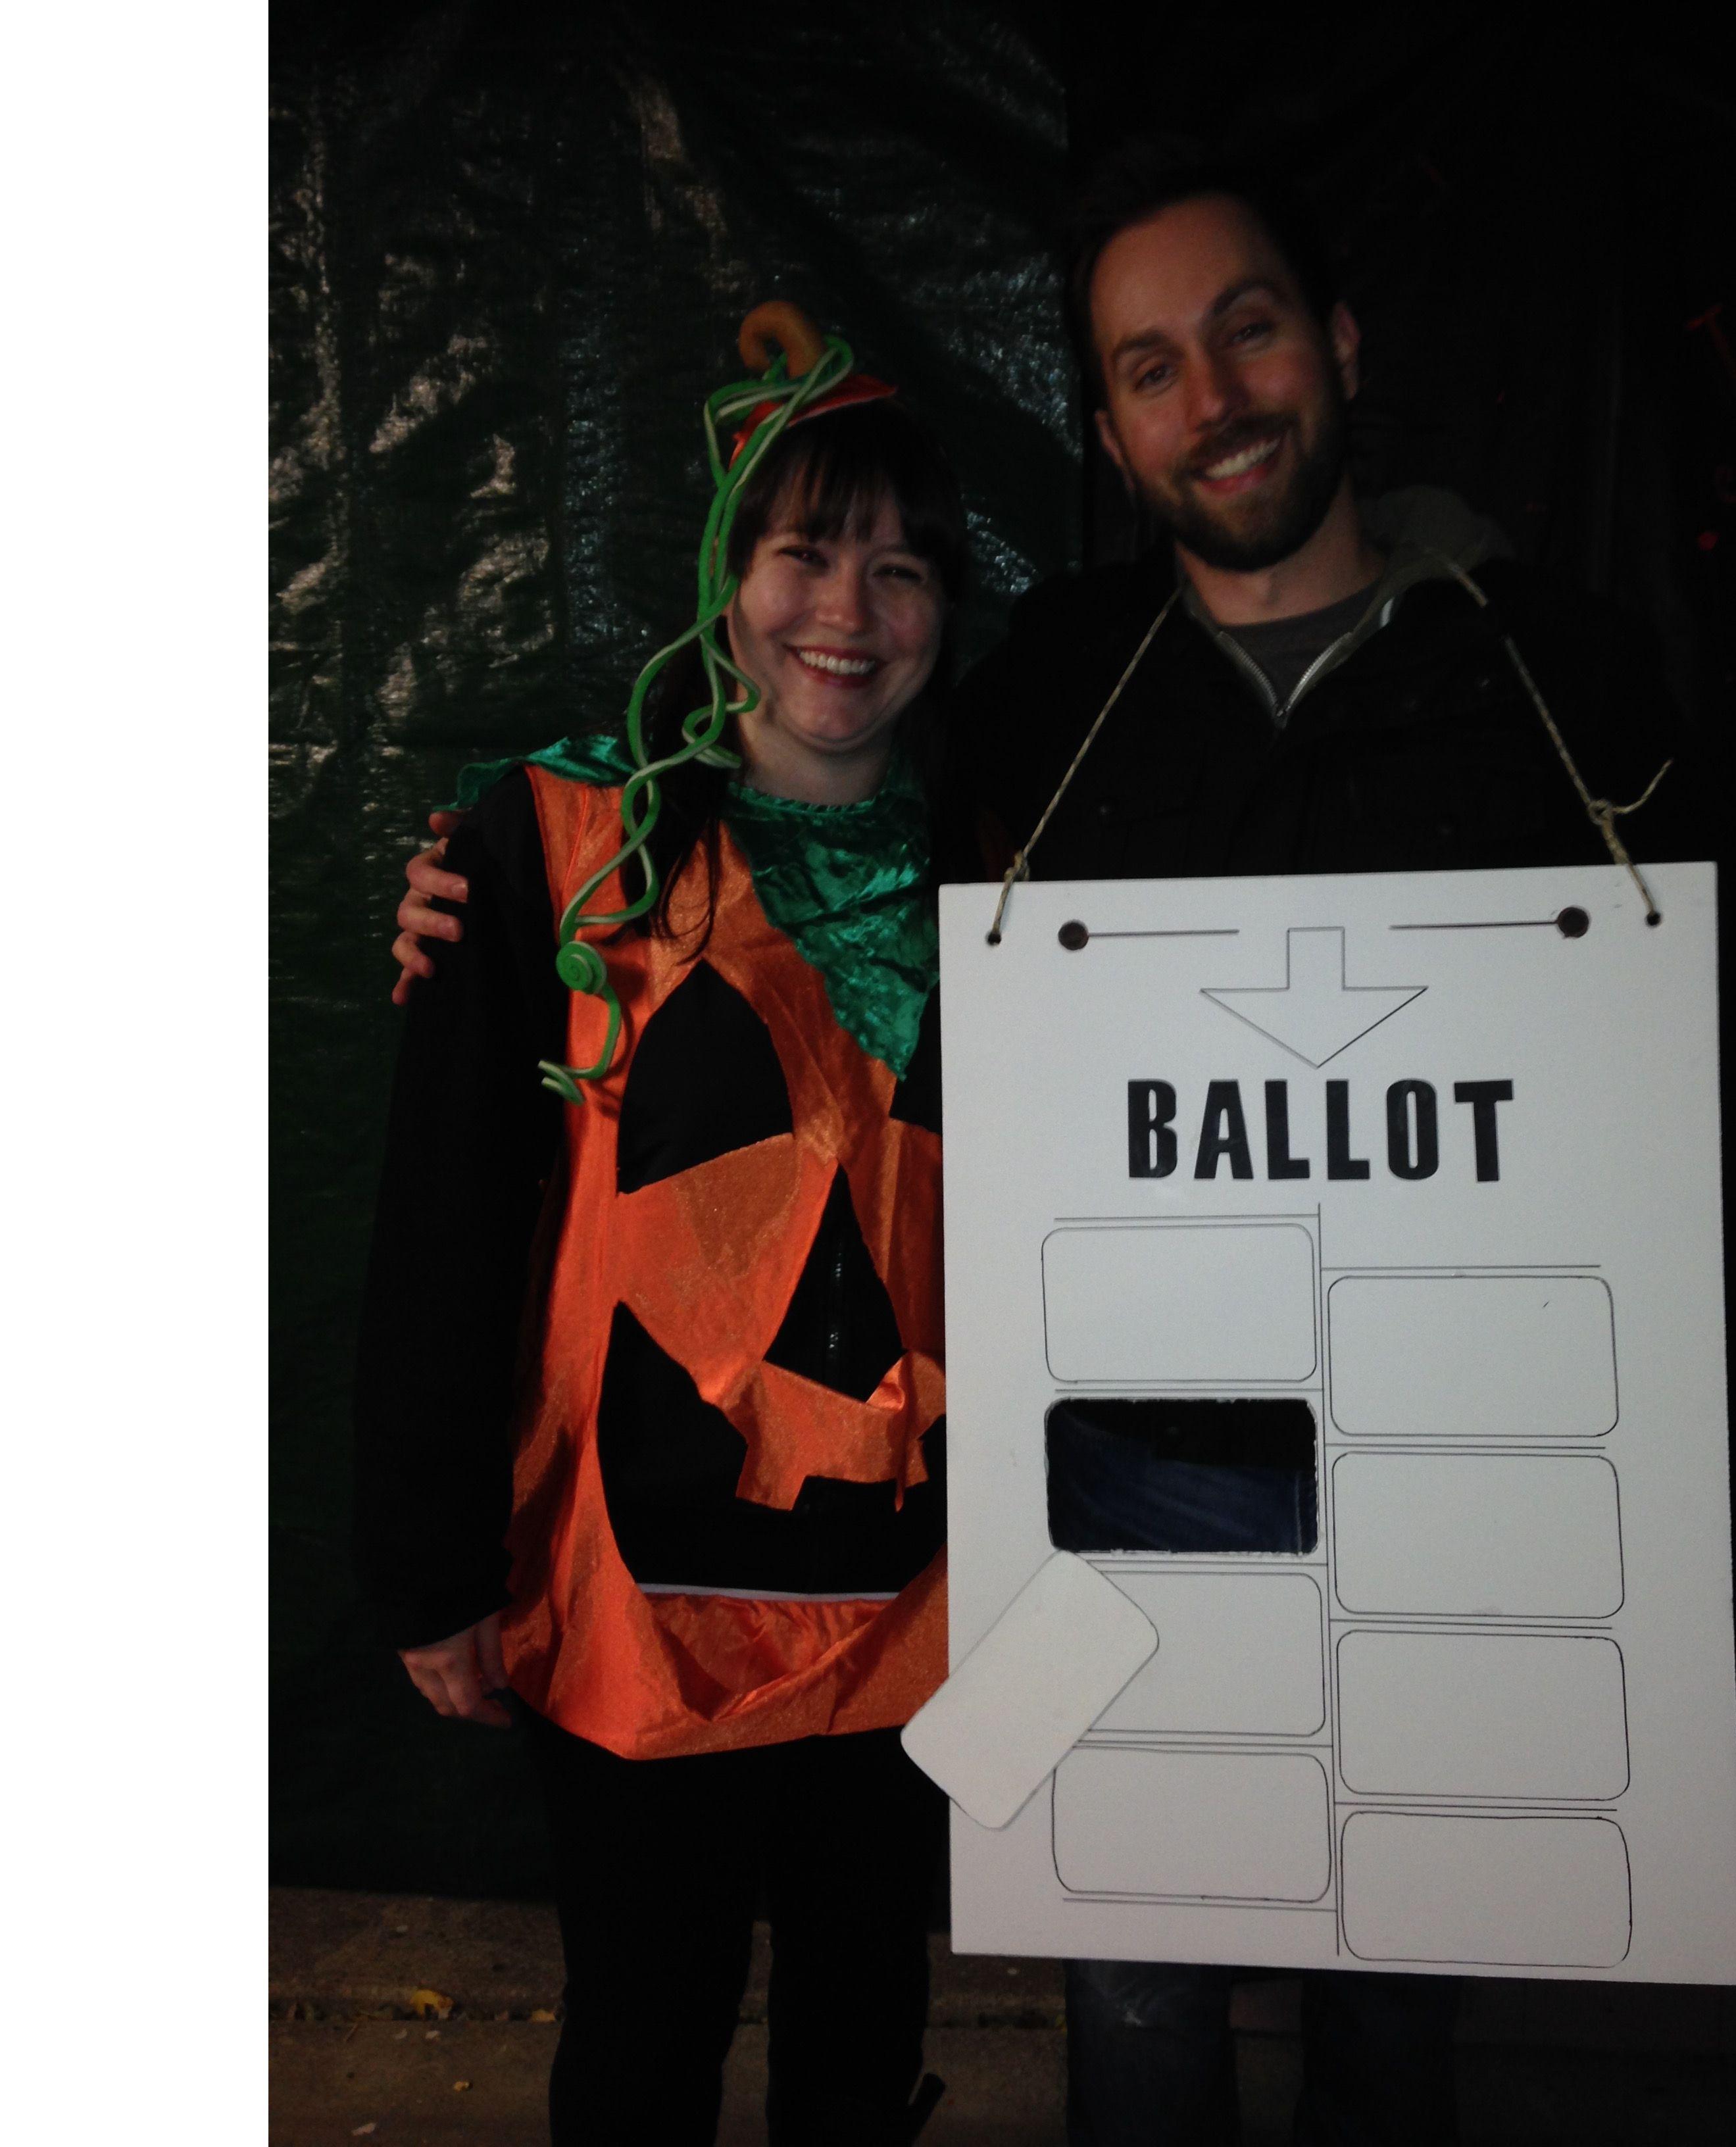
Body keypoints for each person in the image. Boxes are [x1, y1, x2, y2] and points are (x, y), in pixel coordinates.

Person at [391, 139, 1736, 2147]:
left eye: (1248, 332)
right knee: (1134, 1984)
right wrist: (472, 893)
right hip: (1125, 1494)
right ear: (1107, 432)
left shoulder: (1560, 678)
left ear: (1340, 341)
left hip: (1462, 1455)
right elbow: (766, 765)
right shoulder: (1064, 700)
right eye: (1148, 367)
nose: (1216, 400)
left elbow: (1699, 1070)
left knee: (1392, 2006)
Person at [356, 358, 968, 2147]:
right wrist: (430, 1564)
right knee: (642, 2034)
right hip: (638, 1591)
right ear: (726, 576)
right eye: (804, 553)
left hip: (921, 1594)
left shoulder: (1016, 864)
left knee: (861, 2030)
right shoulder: (565, 850)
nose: (847, 611)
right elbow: (449, 1215)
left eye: (900, 568)